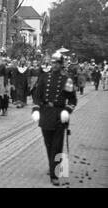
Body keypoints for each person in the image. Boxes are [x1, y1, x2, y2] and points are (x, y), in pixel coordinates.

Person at [32, 52, 77, 186]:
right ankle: (52, 165)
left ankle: (55, 174)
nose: (54, 65)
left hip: (59, 114)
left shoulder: (67, 79)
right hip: (46, 114)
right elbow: (37, 96)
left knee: (57, 146)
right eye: (53, 63)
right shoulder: (44, 77)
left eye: (57, 63)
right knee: (48, 144)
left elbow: (73, 99)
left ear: (61, 64)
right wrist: (35, 110)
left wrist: (67, 111)